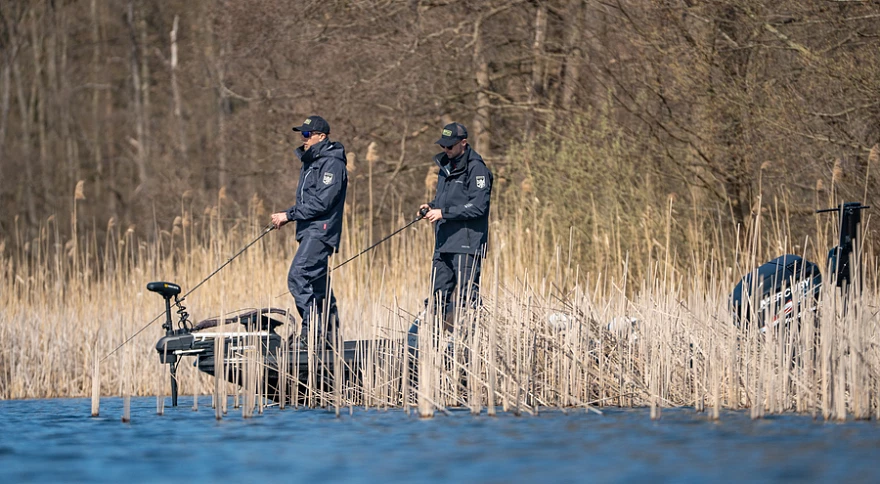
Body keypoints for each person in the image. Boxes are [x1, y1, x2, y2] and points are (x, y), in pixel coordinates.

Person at [271, 115, 348, 348]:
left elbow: (323, 202)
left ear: (321, 136)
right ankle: (330, 339)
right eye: (301, 134)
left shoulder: (331, 163)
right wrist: (291, 216)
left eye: (307, 134)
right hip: (309, 230)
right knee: (318, 286)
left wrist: (289, 215)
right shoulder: (312, 162)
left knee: (298, 274)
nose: (303, 138)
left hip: (321, 230)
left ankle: (312, 331)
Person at [419, 122, 493, 333]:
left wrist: (443, 213)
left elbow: (478, 207)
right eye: (443, 145)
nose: (446, 149)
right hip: (444, 243)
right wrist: (431, 206)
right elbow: (445, 200)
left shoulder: (477, 169)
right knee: (437, 297)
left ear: (463, 142)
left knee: (468, 298)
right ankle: (434, 344)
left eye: (450, 146)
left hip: (466, 244)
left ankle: (471, 341)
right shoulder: (445, 168)